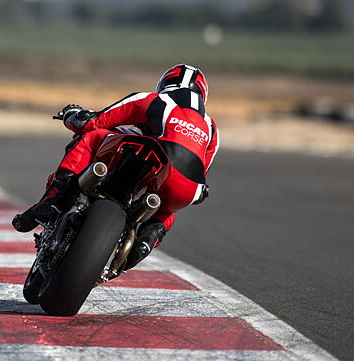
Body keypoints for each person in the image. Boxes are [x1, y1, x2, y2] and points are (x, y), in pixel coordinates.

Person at [12, 64, 220, 270]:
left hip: (150, 159)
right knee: (168, 210)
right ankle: (147, 239)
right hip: (186, 187)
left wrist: (70, 115)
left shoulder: (153, 100)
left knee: (91, 137)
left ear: (165, 84)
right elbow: (202, 179)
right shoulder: (212, 128)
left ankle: (53, 201)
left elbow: (93, 122)